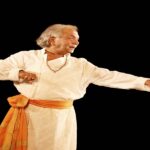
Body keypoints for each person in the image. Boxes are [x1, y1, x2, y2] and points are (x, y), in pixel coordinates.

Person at [0, 23, 150, 150]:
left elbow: (109, 76)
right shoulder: (26, 57)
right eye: (71, 37)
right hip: (29, 114)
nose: (77, 42)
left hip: (62, 119)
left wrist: (143, 82)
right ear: (52, 39)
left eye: (78, 39)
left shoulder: (81, 65)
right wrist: (17, 73)